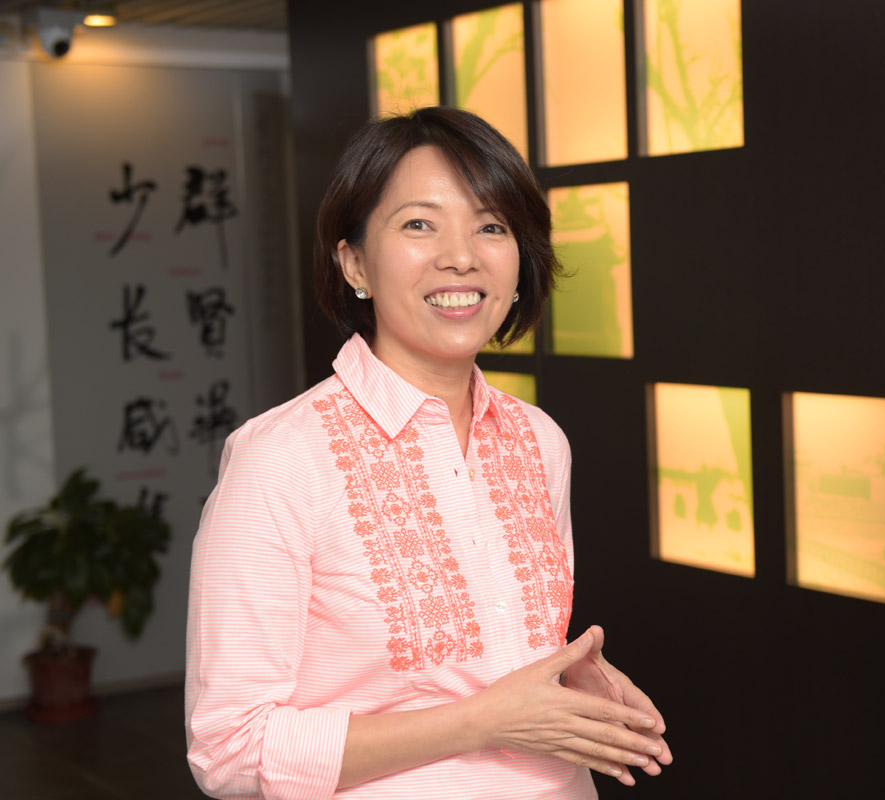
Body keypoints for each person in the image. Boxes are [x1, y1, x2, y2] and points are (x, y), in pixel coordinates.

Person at [186, 106, 671, 799]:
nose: (461, 255)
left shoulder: (539, 440)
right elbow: (229, 751)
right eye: (419, 223)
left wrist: (565, 681)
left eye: (491, 226)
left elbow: (490, 662)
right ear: (354, 260)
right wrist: (481, 722)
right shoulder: (280, 458)